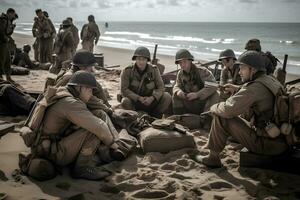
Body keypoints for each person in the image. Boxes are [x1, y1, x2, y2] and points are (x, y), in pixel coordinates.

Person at [196, 51, 289, 168]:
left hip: (267, 144)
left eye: (242, 68)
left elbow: (228, 110)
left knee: (221, 116)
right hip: (280, 140)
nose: (239, 72)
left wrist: (214, 107)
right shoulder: (271, 80)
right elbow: (259, 93)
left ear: (253, 70)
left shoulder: (254, 88)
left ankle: (212, 158)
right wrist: (237, 88)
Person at [28, 71, 123, 180]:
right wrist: (112, 144)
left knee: (99, 114)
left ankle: (115, 142)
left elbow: (99, 113)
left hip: (52, 143)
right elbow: (98, 126)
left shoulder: (63, 93)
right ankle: (82, 169)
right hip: (52, 153)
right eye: (89, 89)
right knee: (94, 130)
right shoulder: (70, 103)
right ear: (79, 88)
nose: (91, 93)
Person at [120, 46, 171, 118]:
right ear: (135, 59)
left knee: (167, 96)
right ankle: (134, 117)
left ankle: (155, 116)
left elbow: (161, 87)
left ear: (147, 60)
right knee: (125, 101)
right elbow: (124, 89)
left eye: (143, 59)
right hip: (135, 102)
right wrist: (138, 98)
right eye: (139, 59)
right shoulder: (127, 71)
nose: (141, 62)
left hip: (150, 101)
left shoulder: (154, 70)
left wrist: (152, 98)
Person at [172, 49, 219, 115]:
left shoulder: (202, 71)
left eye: (184, 62)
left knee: (215, 94)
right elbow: (176, 86)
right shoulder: (180, 73)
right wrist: (179, 92)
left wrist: (197, 94)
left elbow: (213, 85)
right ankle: (179, 117)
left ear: (190, 61)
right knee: (175, 95)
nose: (182, 65)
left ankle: (207, 118)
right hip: (189, 101)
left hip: (202, 102)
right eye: (180, 63)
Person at [0, 8, 17, 82]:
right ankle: (0, 77)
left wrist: (12, 27)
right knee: (1, 60)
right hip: (1, 43)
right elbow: (1, 32)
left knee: (8, 60)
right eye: (13, 14)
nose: (13, 16)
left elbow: (8, 32)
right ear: (9, 13)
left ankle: (8, 77)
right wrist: (5, 38)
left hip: (4, 43)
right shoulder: (3, 20)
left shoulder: (7, 20)